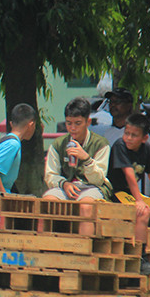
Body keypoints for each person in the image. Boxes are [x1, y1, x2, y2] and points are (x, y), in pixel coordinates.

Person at [107, 113, 150, 275]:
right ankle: (141, 259)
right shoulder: (120, 146)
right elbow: (129, 175)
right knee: (143, 211)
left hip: (131, 194)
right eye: (126, 133)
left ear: (144, 138)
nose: (128, 138)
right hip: (116, 192)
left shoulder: (146, 149)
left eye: (134, 135)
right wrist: (139, 200)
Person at [43, 97, 113, 235]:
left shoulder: (100, 144)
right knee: (47, 202)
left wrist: (86, 159)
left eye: (77, 123)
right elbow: (50, 175)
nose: (73, 128)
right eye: (69, 123)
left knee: (86, 206)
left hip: (92, 187)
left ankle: (83, 250)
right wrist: (64, 184)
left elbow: (99, 180)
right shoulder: (58, 144)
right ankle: (49, 247)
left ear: (88, 122)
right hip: (66, 187)